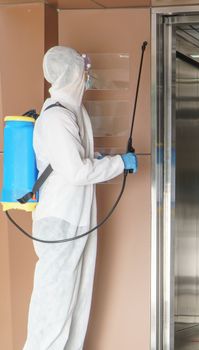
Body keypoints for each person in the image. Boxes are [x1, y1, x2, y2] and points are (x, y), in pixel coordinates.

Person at [23, 46, 137, 350]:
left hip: (74, 217)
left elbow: (75, 160)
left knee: (74, 298)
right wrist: (118, 163)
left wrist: (100, 157)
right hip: (60, 220)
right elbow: (76, 172)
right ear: (73, 73)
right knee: (54, 302)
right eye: (83, 70)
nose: (87, 76)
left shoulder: (74, 111)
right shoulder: (57, 117)